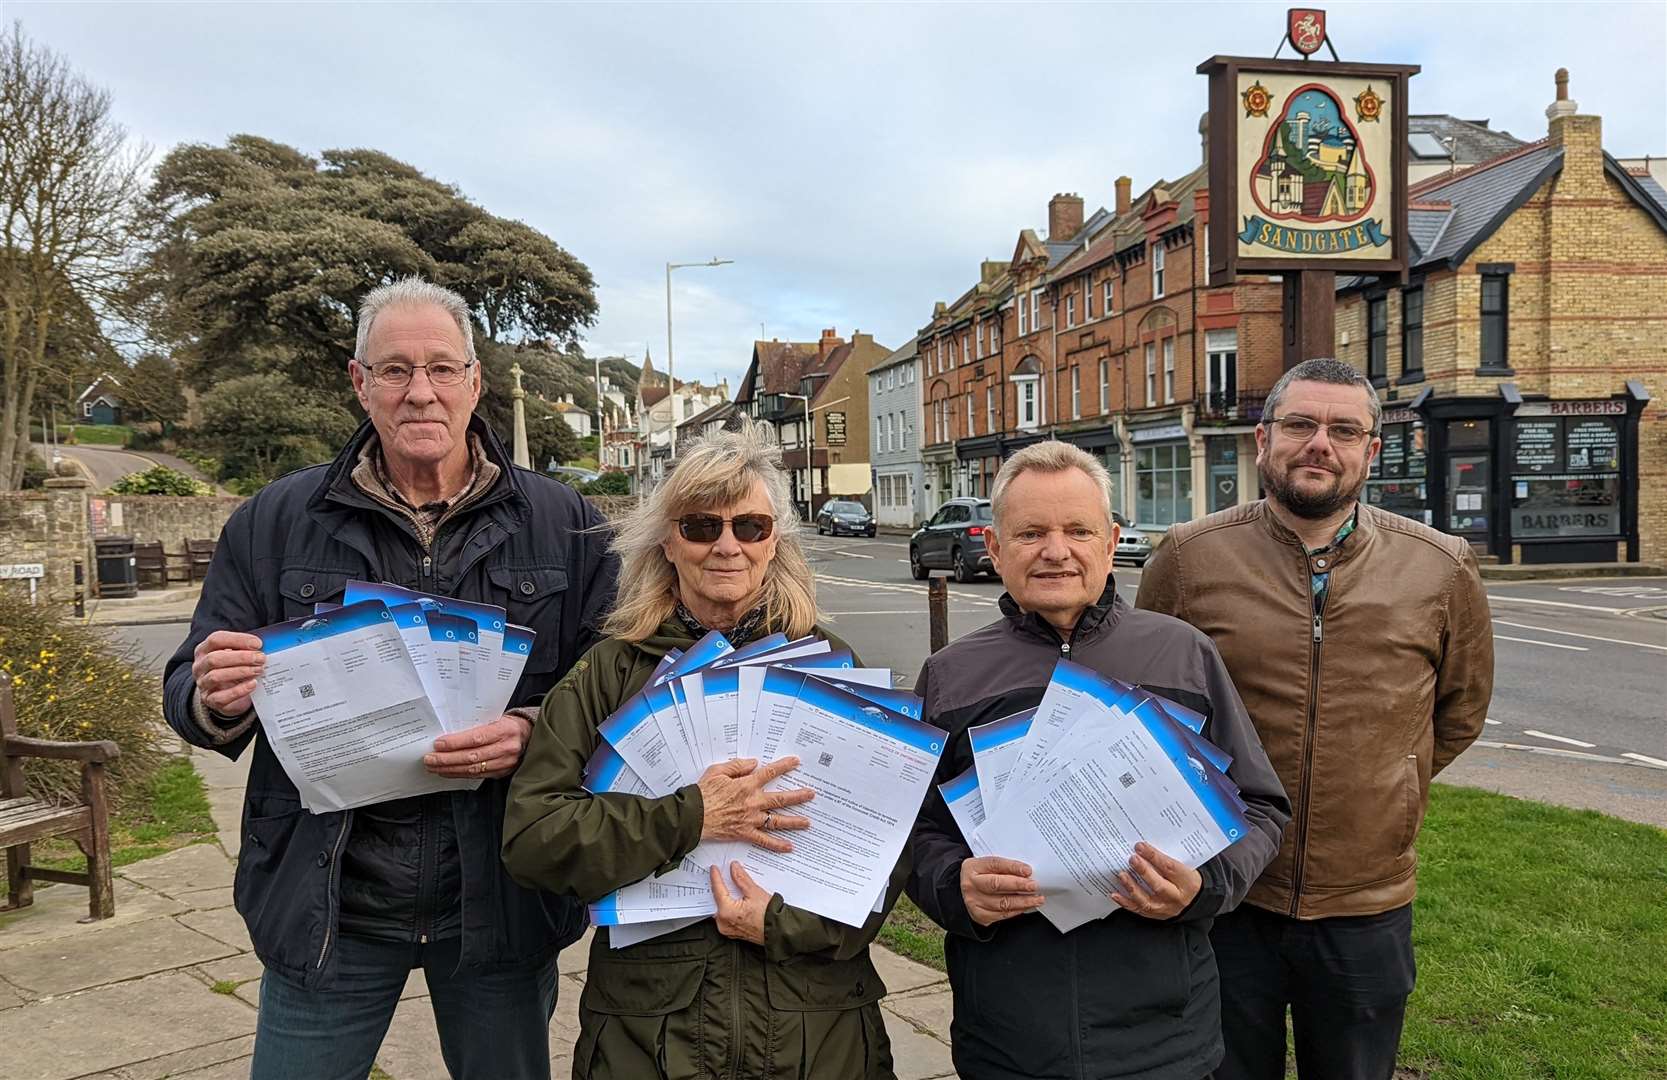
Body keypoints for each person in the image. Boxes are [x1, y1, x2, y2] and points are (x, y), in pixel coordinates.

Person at [162, 278, 618, 1080]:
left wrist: (533, 730)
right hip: (328, 900)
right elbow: (187, 686)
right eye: (396, 369)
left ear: (475, 381)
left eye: (442, 369)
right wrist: (213, 695)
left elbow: (612, 685)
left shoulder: (567, 523)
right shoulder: (273, 519)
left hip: (501, 897)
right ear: (358, 382)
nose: (420, 392)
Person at [503, 420, 903, 1080]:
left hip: (816, 1029)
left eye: (749, 526)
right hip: (651, 1029)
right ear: (666, 539)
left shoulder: (831, 665)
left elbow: (887, 854)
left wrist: (781, 924)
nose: (727, 546)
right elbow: (534, 840)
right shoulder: (608, 672)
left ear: (775, 540)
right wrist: (689, 818)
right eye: (700, 526)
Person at [1136, 357, 1495, 1080]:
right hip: (1228, 894)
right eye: (1300, 424)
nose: (1318, 444)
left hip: (1366, 900)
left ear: (1371, 448)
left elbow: (1458, 711)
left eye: (1342, 429)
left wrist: (1395, 783)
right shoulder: (1188, 558)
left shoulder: (1440, 566)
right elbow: (1141, 706)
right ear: (1263, 439)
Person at [906, 440, 1290, 1080]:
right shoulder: (951, 677)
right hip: (1009, 1029)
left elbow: (1262, 807)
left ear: (1111, 542)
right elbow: (912, 830)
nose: (1056, 551)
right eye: (1030, 533)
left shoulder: (1183, 656)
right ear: (996, 550)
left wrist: (1205, 886)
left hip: (1164, 1030)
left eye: (1077, 530)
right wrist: (955, 885)